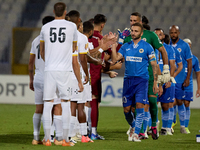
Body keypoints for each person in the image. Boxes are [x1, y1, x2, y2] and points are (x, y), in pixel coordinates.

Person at [40, 2, 83, 146]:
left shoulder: (45, 27)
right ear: (65, 12)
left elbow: (42, 50)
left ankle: (47, 139)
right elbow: (74, 49)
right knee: (65, 103)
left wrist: (50, 62)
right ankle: (64, 139)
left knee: (47, 104)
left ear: (53, 11)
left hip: (49, 70)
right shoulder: (71, 27)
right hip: (65, 70)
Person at [122, 12, 170, 140]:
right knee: (132, 107)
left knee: (152, 102)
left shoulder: (150, 36)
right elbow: (120, 55)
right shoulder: (128, 37)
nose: (132, 23)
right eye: (131, 20)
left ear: (141, 22)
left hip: (148, 76)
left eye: (135, 21)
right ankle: (139, 130)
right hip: (132, 77)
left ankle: (153, 125)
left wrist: (165, 70)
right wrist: (120, 40)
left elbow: (162, 51)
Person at [111, 23, 159, 142]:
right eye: (132, 31)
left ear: (141, 33)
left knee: (139, 106)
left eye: (136, 31)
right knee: (126, 110)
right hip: (128, 81)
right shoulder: (126, 46)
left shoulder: (147, 47)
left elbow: (154, 65)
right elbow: (115, 59)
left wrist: (155, 82)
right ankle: (133, 126)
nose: (133, 33)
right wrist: (113, 45)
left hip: (142, 81)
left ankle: (137, 134)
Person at [66, 10, 93, 143]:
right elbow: (83, 59)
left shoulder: (64, 35)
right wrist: (86, 75)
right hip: (78, 75)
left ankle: (69, 135)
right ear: (78, 21)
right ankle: (83, 135)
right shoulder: (82, 37)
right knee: (80, 105)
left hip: (65, 74)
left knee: (70, 105)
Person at [29, 16, 54, 145]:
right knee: (53, 108)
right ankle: (49, 137)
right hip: (49, 76)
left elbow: (30, 63)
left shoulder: (35, 41)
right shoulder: (52, 40)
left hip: (38, 76)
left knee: (38, 108)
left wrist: (31, 79)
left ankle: (35, 137)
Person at [169, 25, 192, 134]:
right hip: (169, 78)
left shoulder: (184, 45)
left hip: (180, 78)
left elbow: (189, 62)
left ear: (178, 33)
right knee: (169, 102)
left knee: (179, 101)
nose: (173, 35)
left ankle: (183, 126)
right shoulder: (166, 44)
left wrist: (187, 78)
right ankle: (170, 124)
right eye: (171, 33)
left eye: (175, 32)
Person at [154, 28, 176, 135]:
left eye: (160, 34)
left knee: (166, 105)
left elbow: (173, 65)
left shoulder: (169, 49)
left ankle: (165, 128)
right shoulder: (151, 48)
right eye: (156, 34)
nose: (158, 36)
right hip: (155, 79)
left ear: (163, 36)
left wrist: (169, 79)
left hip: (166, 79)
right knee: (152, 104)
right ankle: (153, 127)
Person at [183, 38, 200, 133]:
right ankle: (172, 123)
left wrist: (199, 88)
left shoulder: (194, 59)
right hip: (178, 83)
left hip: (188, 84)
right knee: (173, 104)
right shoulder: (178, 57)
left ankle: (185, 126)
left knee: (187, 103)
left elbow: (198, 73)